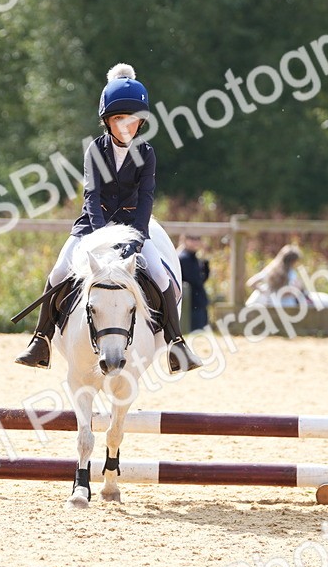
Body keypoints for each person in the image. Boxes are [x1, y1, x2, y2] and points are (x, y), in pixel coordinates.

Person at [15, 63, 202, 373]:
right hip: (92, 227)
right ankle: (41, 340)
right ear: (107, 121)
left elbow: (145, 199)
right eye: (119, 120)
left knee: (160, 275)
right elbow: (92, 196)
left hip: (132, 229)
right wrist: (100, 238)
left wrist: (138, 238)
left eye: (132, 120)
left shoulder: (147, 153)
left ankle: (176, 344)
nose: (126, 127)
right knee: (59, 272)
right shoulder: (95, 150)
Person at [177, 234, 210, 331]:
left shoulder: (193, 257)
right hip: (190, 303)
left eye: (198, 239)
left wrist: (205, 261)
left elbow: (203, 279)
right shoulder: (184, 258)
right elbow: (196, 281)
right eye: (192, 239)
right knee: (196, 332)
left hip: (197, 301)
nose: (195, 242)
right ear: (185, 240)